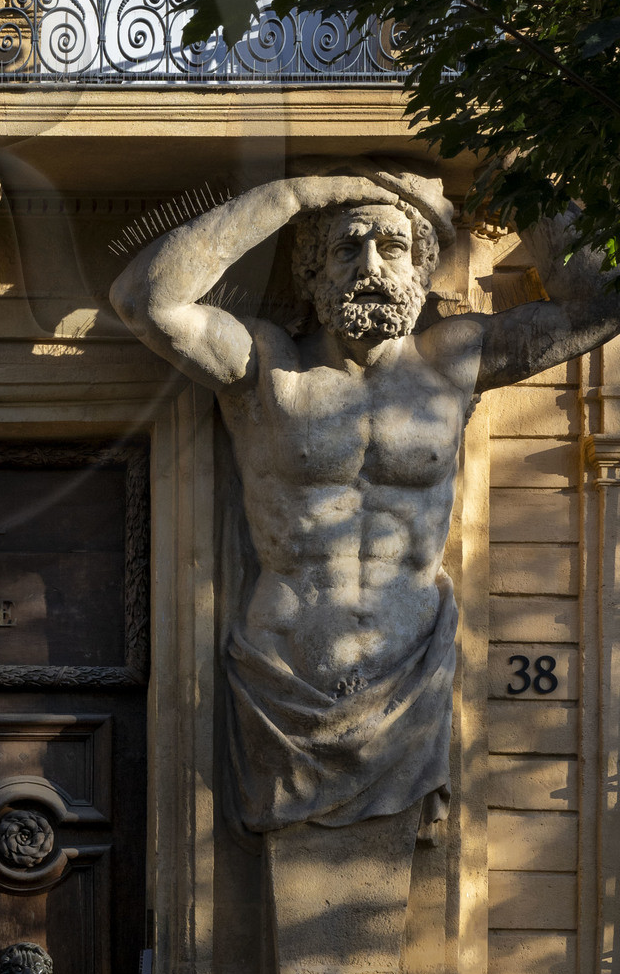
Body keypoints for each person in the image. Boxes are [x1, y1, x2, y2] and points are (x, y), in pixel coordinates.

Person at [110, 168, 620, 831]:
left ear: (420, 267)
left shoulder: (454, 361)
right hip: (283, 680)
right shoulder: (267, 365)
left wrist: (513, 169)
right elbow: (145, 299)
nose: (371, 267)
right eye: (347, 249)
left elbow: (602, 303)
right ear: (314, 272)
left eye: (392, 247)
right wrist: (295, 197)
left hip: (410, 682)